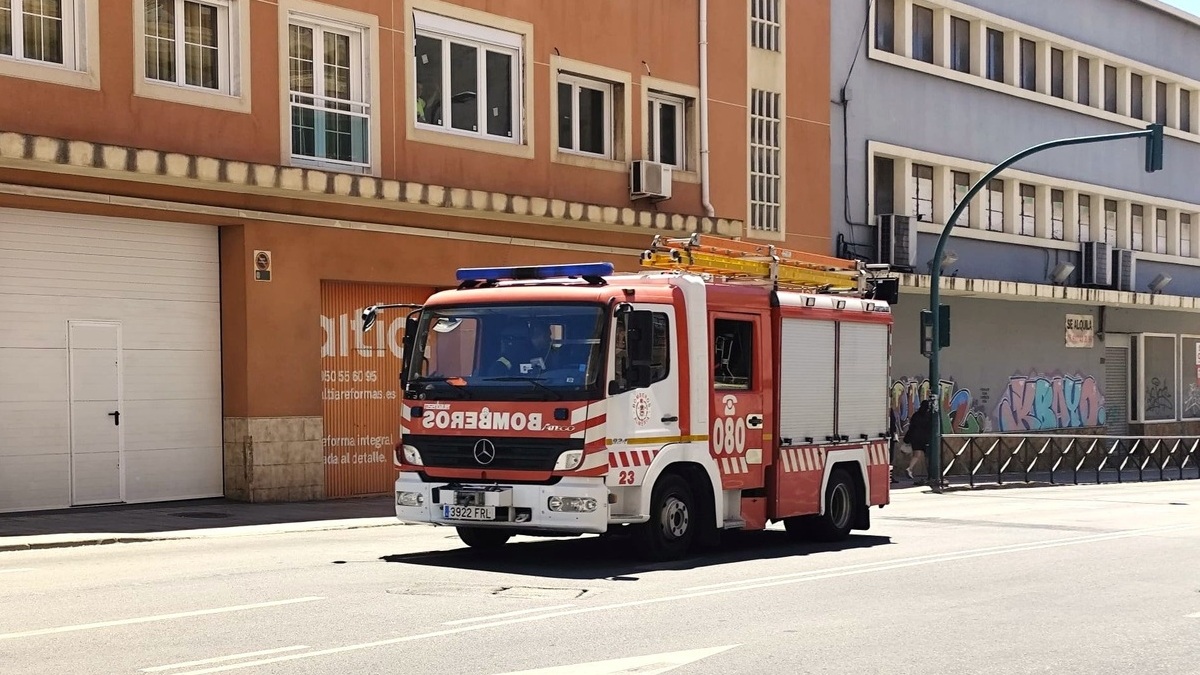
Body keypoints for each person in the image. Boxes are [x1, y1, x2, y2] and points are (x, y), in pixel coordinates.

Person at [903, 399, 934, 484]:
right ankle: (930, 473)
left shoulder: (916, 415)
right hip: (924, 438)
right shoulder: (929, 416)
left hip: (915, 438)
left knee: (916, 455)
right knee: (928, 456)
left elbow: (911, 426)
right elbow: (930, 427)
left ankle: (910, 468)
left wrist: (908, 438)